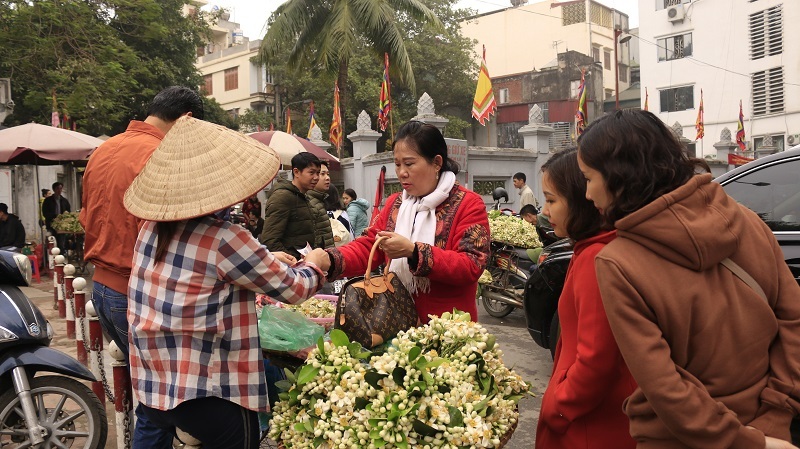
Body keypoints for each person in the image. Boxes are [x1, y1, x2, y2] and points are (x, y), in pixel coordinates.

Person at [577, 109, 800, 449]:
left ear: (619, 177)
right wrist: (775, 418)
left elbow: (665, 386)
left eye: (589, 178)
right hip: (770, 428)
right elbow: (794, 321)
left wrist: (749, 442)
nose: (588, 194)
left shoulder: (617, 263)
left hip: (680, 439)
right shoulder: (749, 221)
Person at [123, 116, 330, 449]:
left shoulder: (151, 228)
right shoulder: (224, 237)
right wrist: (316, 264)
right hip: (207, 391)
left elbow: (199, 272)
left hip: (152, 383)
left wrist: (268, 259)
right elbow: (295, 289)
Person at [79, 86, 204, 449]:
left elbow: (88, 216)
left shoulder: (103, 150)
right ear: (187, 120)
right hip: (138, 292)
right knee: (157, 406)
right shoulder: (159, 155)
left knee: (148, 396)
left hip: (101, 289)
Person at [326, 121, 490, 322]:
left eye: (409, 163)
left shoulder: (468, 204)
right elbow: (370, 246)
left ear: (437, 163)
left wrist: (414, 252)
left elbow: (472, 265)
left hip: (449, 329)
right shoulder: (396, 203)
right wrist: (328, 259)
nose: (402, 172)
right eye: (397, 164)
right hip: (397, 323)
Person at [534, 148, 636, 449]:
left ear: (581, 199)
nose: (544, 211)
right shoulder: (592, 249)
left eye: (552, 200)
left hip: (589, 425)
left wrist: (559, 407)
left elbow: (596, 360)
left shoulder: (595, 258)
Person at [260, 152, 322, 258]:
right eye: (311, 173)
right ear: (296, 172)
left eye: (318, 173)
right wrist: (295, 261)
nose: (316, 177)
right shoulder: (282, 197)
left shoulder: (304, 196)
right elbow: (270, 241)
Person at [307, 160, 335, 249]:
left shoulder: (319, 200)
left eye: (328, 174)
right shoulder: (309, 202)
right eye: (322, 174)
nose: (327, 178)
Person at [42, 181, 71, 249]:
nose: (59, 190)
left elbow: (68, 211)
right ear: (54, 189)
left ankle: (61, 255)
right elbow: (45, 212)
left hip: (62, 225)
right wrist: (54, 217)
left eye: (60, 188)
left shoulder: (64, 201)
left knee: (61, 243)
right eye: (57, 188)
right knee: (51, 242)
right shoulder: (48, 201)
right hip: (51, 224)